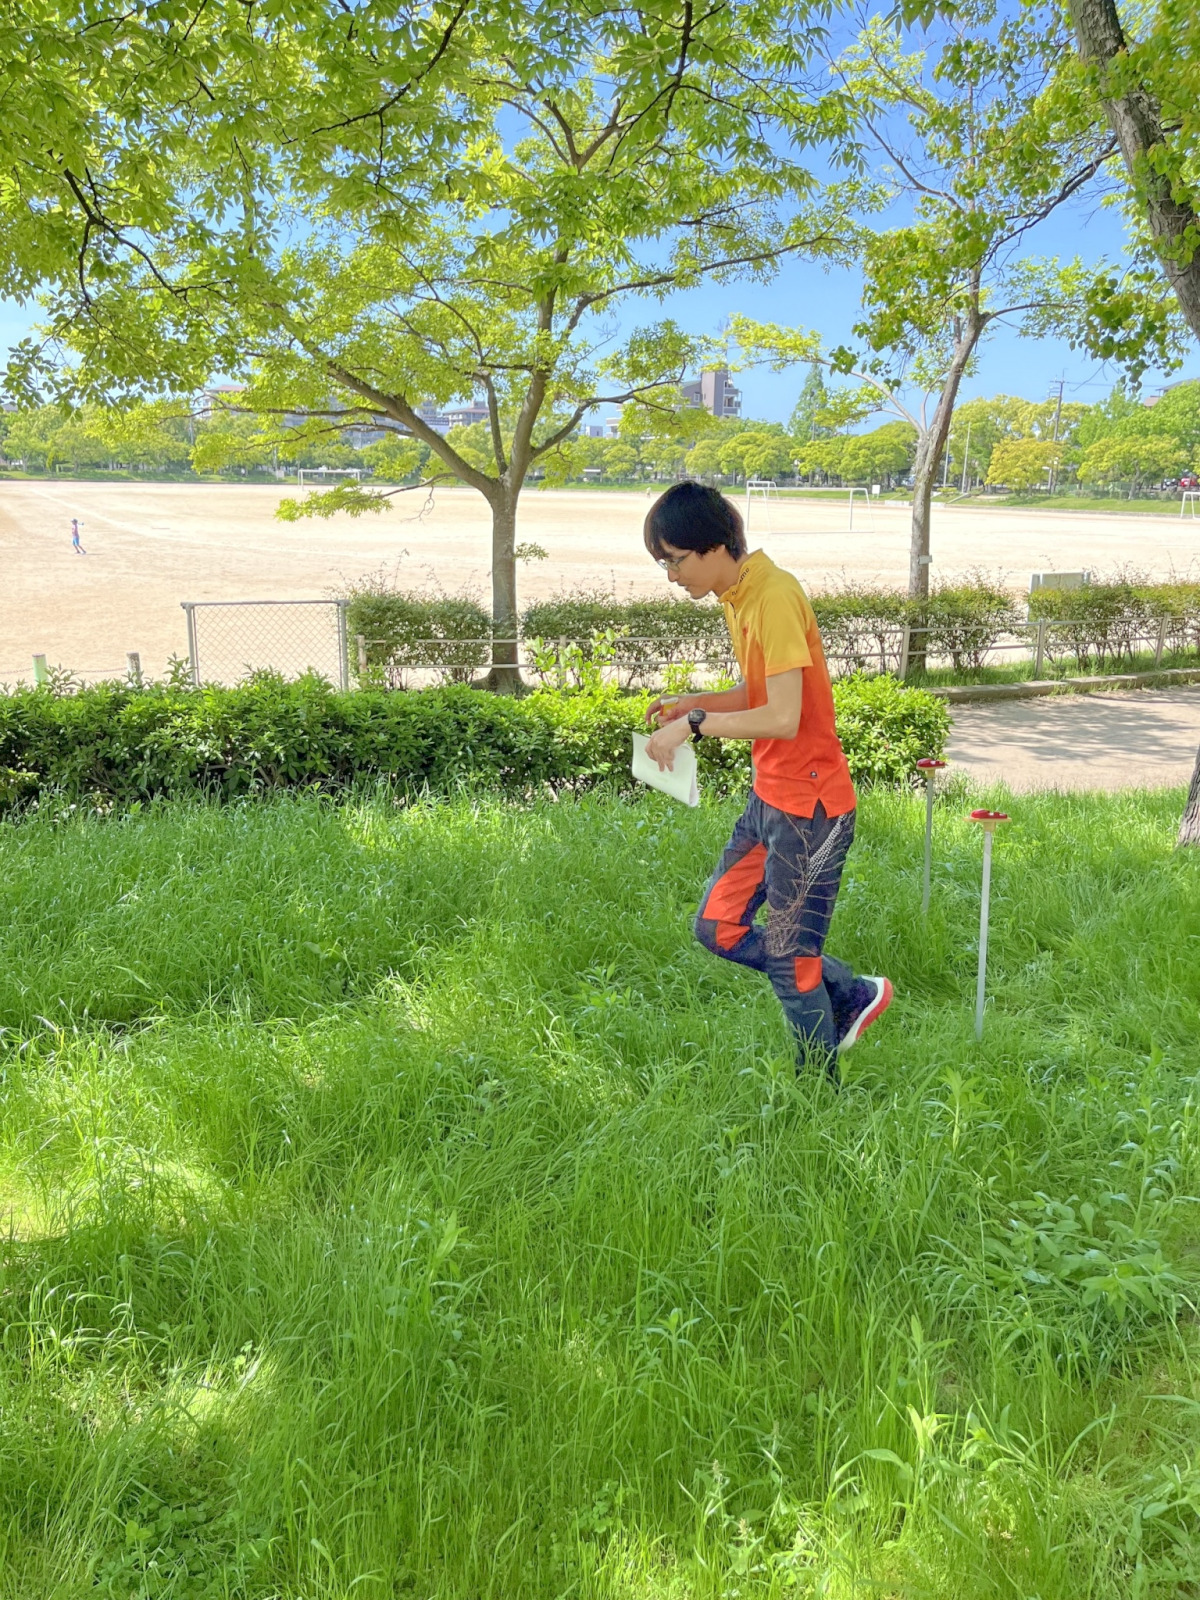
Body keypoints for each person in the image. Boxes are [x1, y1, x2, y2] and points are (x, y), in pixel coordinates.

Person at [642, 481, 892, 1077]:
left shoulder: (774, 595)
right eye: (663, 563)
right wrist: (696, 702)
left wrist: (694, 726)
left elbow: (783, 717)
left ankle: (817, 1095)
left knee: (789, 957)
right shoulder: (739, 595)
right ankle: (851, 990)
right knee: (716, 926)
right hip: (769, 799)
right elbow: (763, 691)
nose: (671, 575)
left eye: (675, 560)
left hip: (811, 810)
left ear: (713, 547)